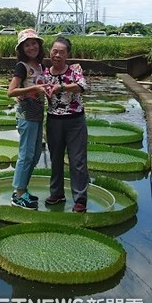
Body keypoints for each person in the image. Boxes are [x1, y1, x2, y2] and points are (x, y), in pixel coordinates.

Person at [44, 36, 89, 213]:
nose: (57, 55)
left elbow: (82, 86)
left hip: (75, 120)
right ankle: (57, 193)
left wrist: (61, 87)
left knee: (77, 160)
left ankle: (80, 199)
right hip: (54, 120)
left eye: (62, 52)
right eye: (55, 51)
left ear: (68, 54)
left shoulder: (74, 71)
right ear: (50, 52)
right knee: (55, 158)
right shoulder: (45, 73)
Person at [7, 28, 48, 210]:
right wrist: (34, 90)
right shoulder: (21, 67)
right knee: (26, 154)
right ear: (22, 49)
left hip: (38, 113)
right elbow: (11, 91)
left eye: (34, 43)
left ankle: (24, 189)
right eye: (27, 45)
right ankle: (18, 194)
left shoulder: (41, 67)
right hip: (26, 114)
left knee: (36, 154)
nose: (31, 47)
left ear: (39, 45)